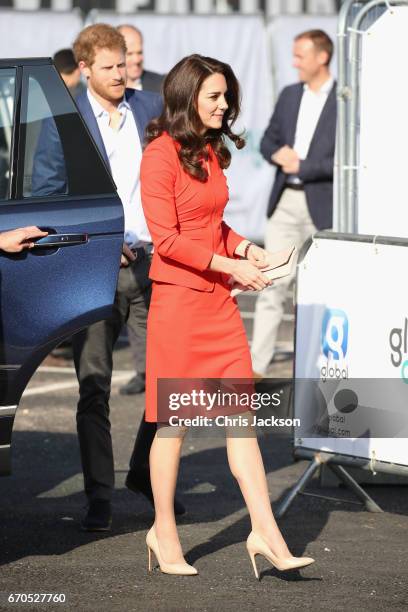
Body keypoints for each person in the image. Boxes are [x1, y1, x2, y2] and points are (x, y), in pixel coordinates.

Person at [140, 54, 315, 577]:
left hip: (216, 302)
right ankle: (163, 533)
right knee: (175, 425)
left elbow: (212, 225)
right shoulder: (160, 155)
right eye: (215, 96)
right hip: (178, 303)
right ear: (187, 97)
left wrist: (247, 250)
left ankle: (266, 533)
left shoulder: (210, 152)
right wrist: (230, 266)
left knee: (242, 421)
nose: (224, 106)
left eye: (227, 97)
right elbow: (167, 239)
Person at [68, 24, 183, 532]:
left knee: (167, 383)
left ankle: (142, 471)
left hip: (154, 263)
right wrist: (101, 239)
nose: (122, 73)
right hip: (94, 270)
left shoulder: (150, 106)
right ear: (86, 67)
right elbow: (53, 190)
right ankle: (99, 495)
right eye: (111, 67)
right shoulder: (64, 116)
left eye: (125, 64)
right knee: (95, 387)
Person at [251, 29, 337, 379]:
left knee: (321, 290)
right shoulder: (289, 95)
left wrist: (305, 166)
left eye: (300, 55)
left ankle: (318, 368)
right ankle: (254, 369)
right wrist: (276, 153)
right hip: (286, 201)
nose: (294, 63)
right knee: (271, 284)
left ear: (322, 57)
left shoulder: (346, 100)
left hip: (326, 206)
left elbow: (351, 159)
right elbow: (268, 140)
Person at [116, 24, 165, 396]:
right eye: (127, 53)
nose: (134, 60)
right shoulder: (94, 105)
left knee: (152, 305)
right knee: (132, 300)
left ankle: (158, 372)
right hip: (121, 223)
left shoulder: (157, 92)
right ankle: (143, 371)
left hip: (152, 214)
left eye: (137, 52)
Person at [117, 24, 164, 93]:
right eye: (129, 54)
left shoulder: (161, 84)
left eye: (140, 53)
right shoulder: (104, 87)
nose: (136, 60)